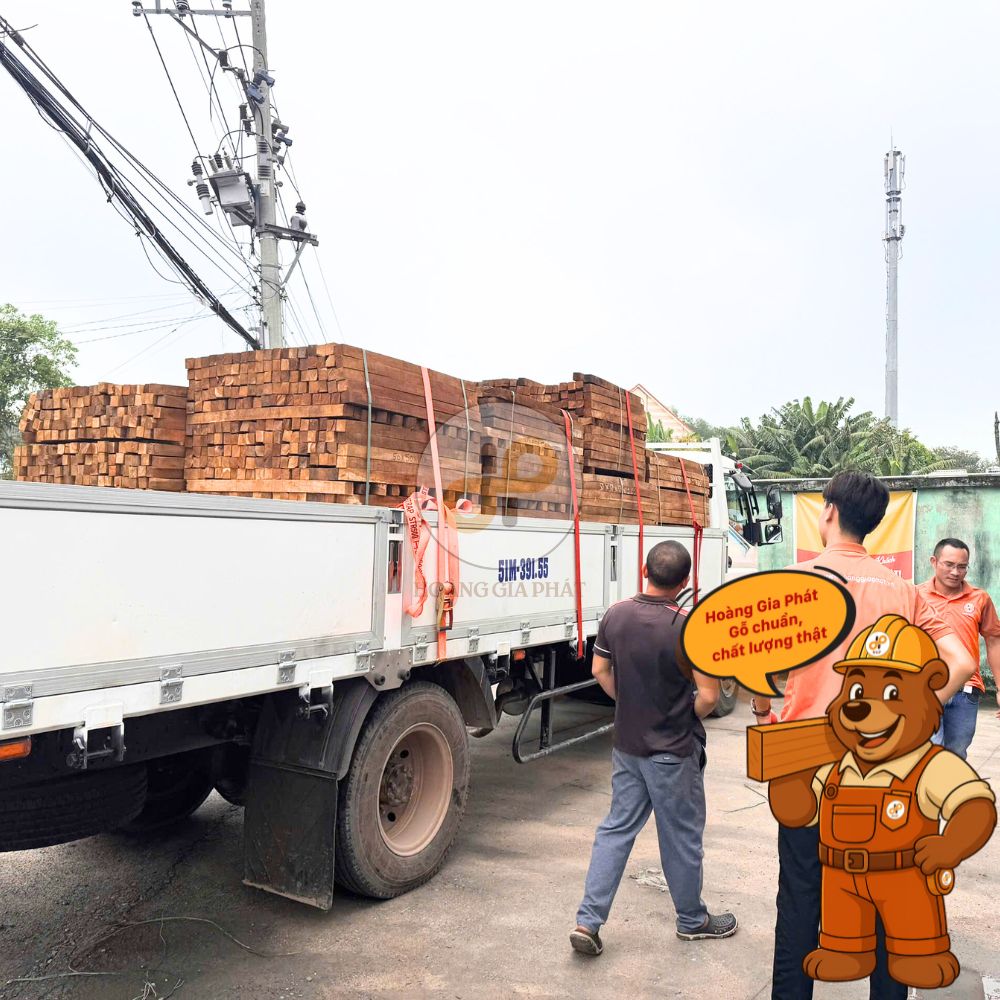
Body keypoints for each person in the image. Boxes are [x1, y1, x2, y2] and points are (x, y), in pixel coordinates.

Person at [750, 471, 977, 1000]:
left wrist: (764, 714)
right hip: (885, 768)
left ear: (828, 512)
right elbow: (962, 663)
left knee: (801, 896)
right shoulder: (903, 591)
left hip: (807, 761)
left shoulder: (796, 583)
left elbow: (757, 669)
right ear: (871, 523)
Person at [570, 540, 738, 957]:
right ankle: (692, 921)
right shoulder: (689, 627)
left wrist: (629, 704)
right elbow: (709, 696)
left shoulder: (616, 615)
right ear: (685, 581)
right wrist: (678, 716)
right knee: (680, 837)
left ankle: (588, 922)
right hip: (673, 753)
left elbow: (600, 669)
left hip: (627, 746)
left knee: (615, 829)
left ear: (644, 570)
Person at [918, 538, 1000, 760]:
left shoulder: (980, 598)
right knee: (930, 752)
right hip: (925, 687)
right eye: (949, 564)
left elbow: (994, 642)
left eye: (962, 567)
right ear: (934, 561)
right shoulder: (916, 596)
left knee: (956, 754)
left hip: (966, 690)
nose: (955, 572)